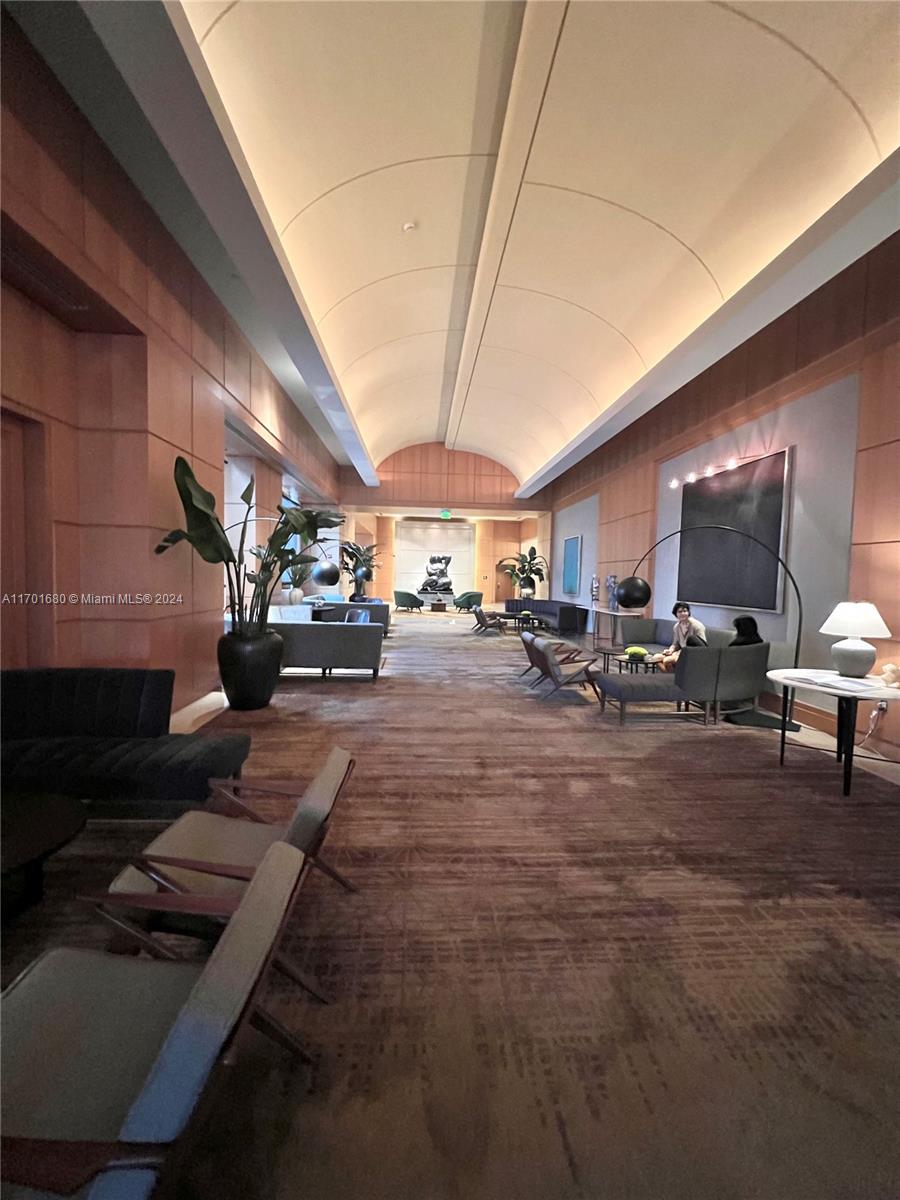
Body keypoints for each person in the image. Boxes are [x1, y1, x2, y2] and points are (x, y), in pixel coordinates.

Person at [659, 602, 707, 671]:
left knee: (666, 661)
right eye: (680, 612)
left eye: (685, 611)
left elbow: (703, 647)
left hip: (691, 654)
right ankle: (673, 675)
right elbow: (675, 644)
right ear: (676, 614)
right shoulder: (676, 627)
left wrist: (681, 654)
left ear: (688, 612)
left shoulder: (697, 626)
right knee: (656, 658)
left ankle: (677, 675)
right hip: (679, 652)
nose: (683, 613)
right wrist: (670, 650)